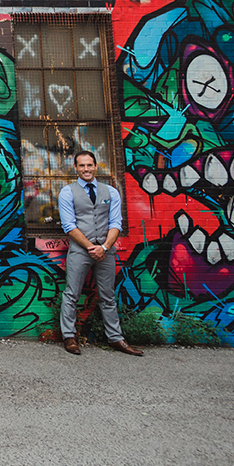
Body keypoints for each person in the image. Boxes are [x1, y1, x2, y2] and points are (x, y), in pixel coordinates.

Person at [59, 150, 143, 356]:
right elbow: (68, 225)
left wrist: (104, 247)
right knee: (72, 294)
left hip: (106, 251)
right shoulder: (67, 192)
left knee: (108, 296)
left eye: (89, 165)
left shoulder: (111, 192)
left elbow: (116, 223)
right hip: (80, 251)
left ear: (96, 166)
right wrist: (91, 247)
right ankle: (69, 337)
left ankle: (116, 338)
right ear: (76, 168)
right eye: (81, 165)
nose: (86, 169)